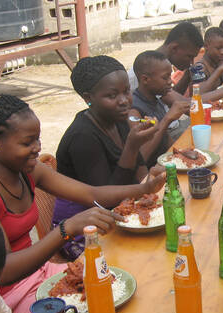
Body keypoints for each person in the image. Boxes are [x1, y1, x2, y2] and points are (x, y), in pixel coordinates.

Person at [0, 94, 165, 313]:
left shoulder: (27, 171)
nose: (37, 148)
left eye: (38, 140)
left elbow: (90, 194)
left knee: (119, 284)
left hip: (39, 272)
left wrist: (144, 187)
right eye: (27, 143)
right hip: (5, 298)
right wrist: (67, 228)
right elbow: (1, 271)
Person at [53, 55, 163, 259]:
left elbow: (140, 173)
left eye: (126, 91)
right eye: (112, 95)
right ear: (88, 98)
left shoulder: (117, 118)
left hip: (115, 211)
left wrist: (151, 183)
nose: (124, 101)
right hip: (79, 228)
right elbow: (105, 201)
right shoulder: (83, 137)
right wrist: (132, 146)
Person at [131, 50, 190, 166]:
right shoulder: (134, 110)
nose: (170, 82)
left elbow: (166, 139)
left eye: (170, 76)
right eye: (165, 78)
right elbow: (141, 157)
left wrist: (182, 154)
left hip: (167, 162)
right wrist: (168, 119)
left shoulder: (156, 99)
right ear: (145, 79)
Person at [127, 22, 204, 99]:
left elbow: (168, 97)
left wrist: (187, 76)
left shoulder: (159, 69)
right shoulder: (143, 73)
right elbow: (182, 103)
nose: (191, 63)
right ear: (174, 48)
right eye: (189, 57)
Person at [194, 27, 223, 94]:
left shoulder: (218, 61)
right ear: (206, 46)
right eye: (218, 48)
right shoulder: (198, 67)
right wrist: (219, 70)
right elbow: (198, 93)